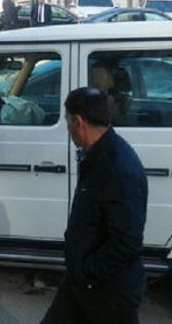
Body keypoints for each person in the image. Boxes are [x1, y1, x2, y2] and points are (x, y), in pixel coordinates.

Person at [41, 87, 148, 324]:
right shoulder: (96, 155)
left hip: (109, 291)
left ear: (78, 122)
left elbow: (126, 243)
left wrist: (84, 271)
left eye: (67, 121)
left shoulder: (119, 169)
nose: (67, 129)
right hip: (82, 283)